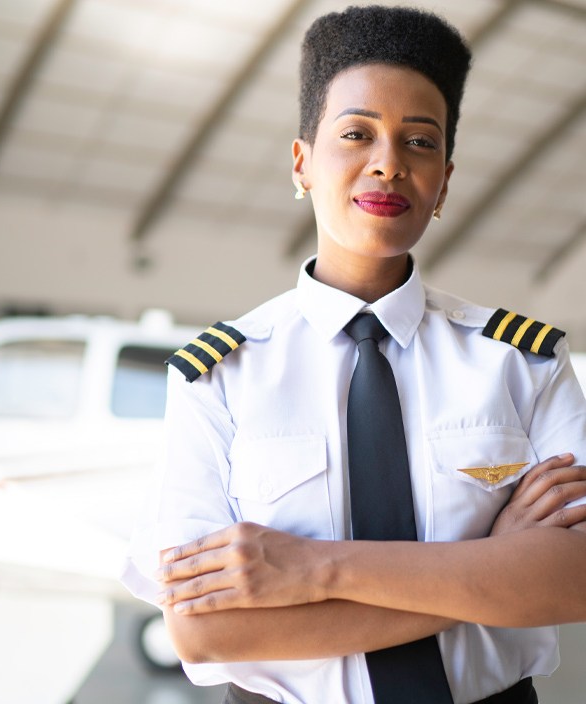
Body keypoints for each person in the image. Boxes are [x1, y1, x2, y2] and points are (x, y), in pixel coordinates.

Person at [121, 6, 586, 703]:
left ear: (446, 182)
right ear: (303, 162)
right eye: (356, 133)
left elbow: (572, 580)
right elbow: (206, 634)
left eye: (420, 142)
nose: (388, 164)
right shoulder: (218, 377)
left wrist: (311, 569)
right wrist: (493, 570)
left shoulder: (522, 364)